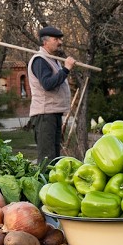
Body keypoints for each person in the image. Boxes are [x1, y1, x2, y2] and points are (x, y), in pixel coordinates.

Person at [26, 25, 77, 165]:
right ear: (45, 42)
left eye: (60, 39)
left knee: (54, 156)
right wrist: (66, 69)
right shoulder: (40, 60)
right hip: (44, 115)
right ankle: (44, 185)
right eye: (56, 39)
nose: (60, 42)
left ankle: (53, 185)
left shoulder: (51, 59)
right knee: (47, 158)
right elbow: (48, 84)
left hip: (53, 113)